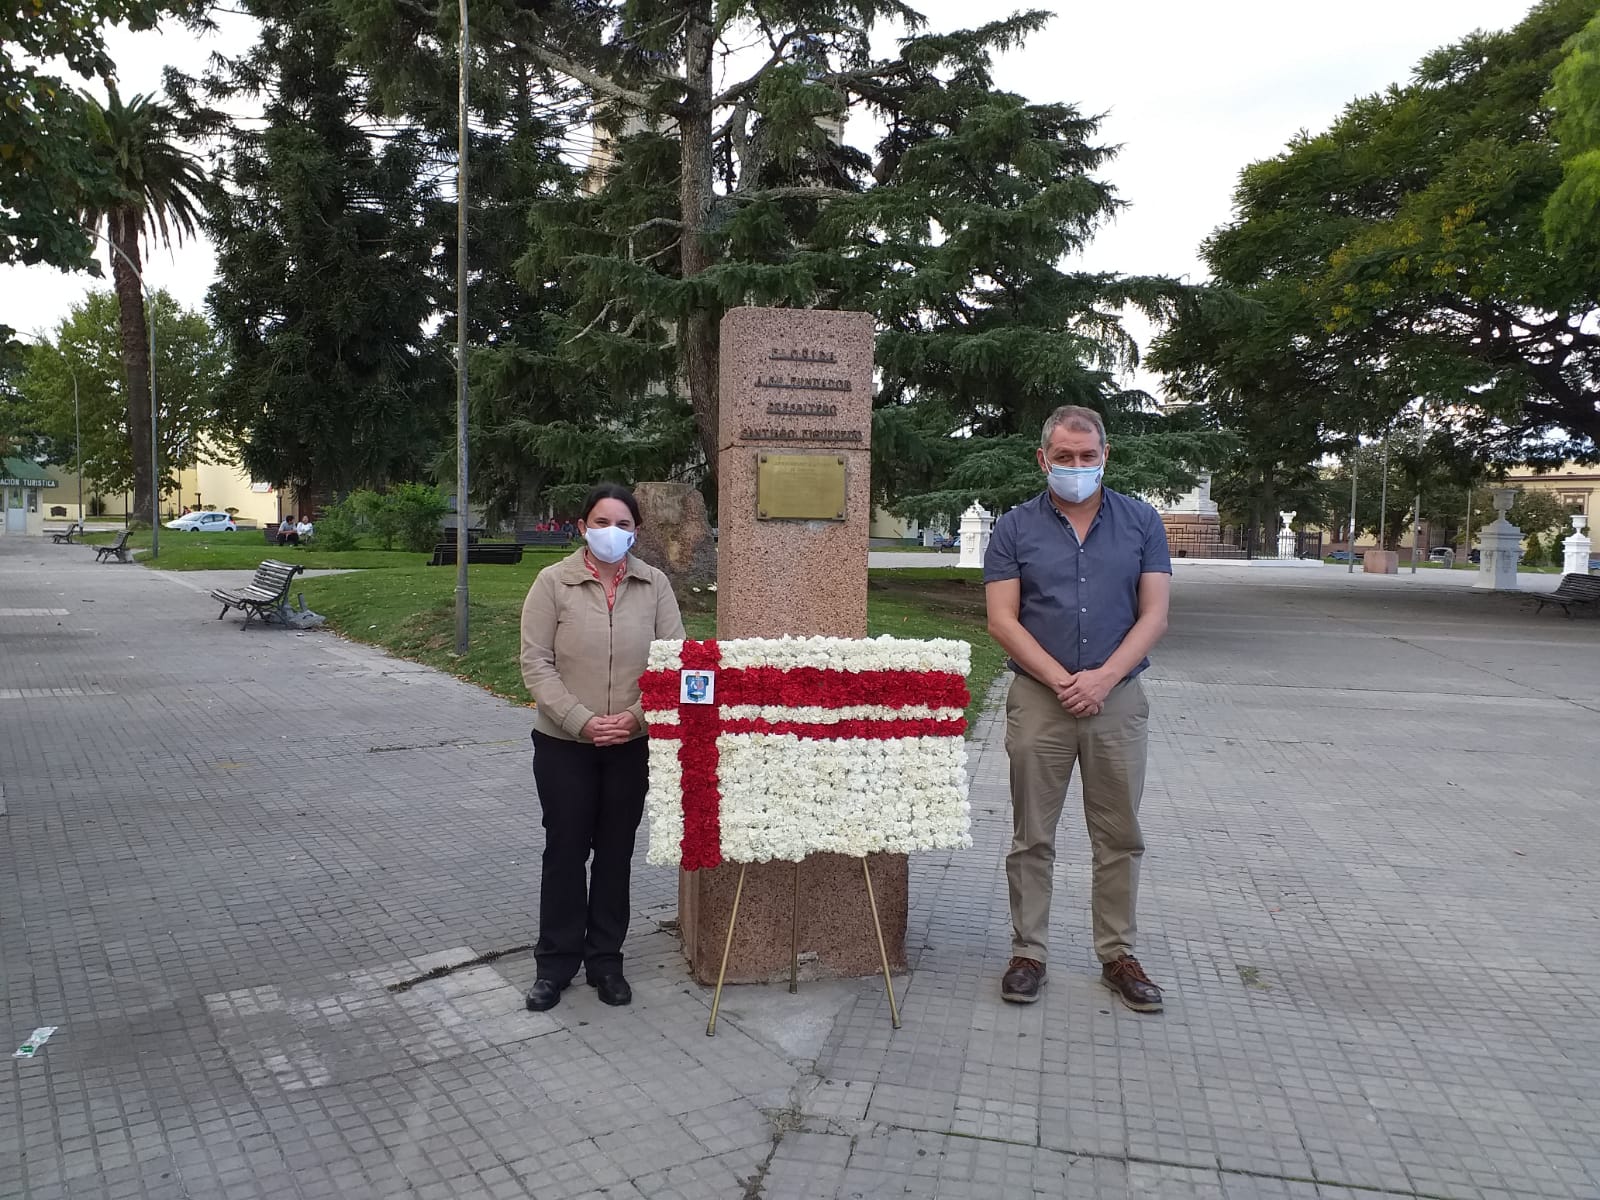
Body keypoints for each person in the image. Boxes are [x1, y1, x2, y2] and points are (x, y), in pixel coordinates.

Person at [983, 404, 1172, 1013]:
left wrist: (1104, 679)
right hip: (1041, 700)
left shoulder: (1141, 521)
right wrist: (1066, 680)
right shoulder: (1013, 528)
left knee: (1119, 835)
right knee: (1031, 836)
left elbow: (1155, 615)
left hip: (1117, 701)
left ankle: (1117, 953)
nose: (1076, 466)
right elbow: (1002, 619)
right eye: (1063, 457)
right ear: (1044, 459)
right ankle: (1027, 953)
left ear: (1105, 457)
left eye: (1087, 457)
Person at [519, 482, 685, 1012]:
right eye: (601, 522)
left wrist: (634, 719)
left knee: (615, 854)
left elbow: (673, 661)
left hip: (631, 745)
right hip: (564, 742)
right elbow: (535, 663)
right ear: (581, 526)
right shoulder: (553, 583)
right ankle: (556, 964)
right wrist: (582, 721)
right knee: (566, 852)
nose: (611, 532)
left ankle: (605, 960)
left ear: (636, 532)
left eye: (622, 524)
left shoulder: (654, 585)